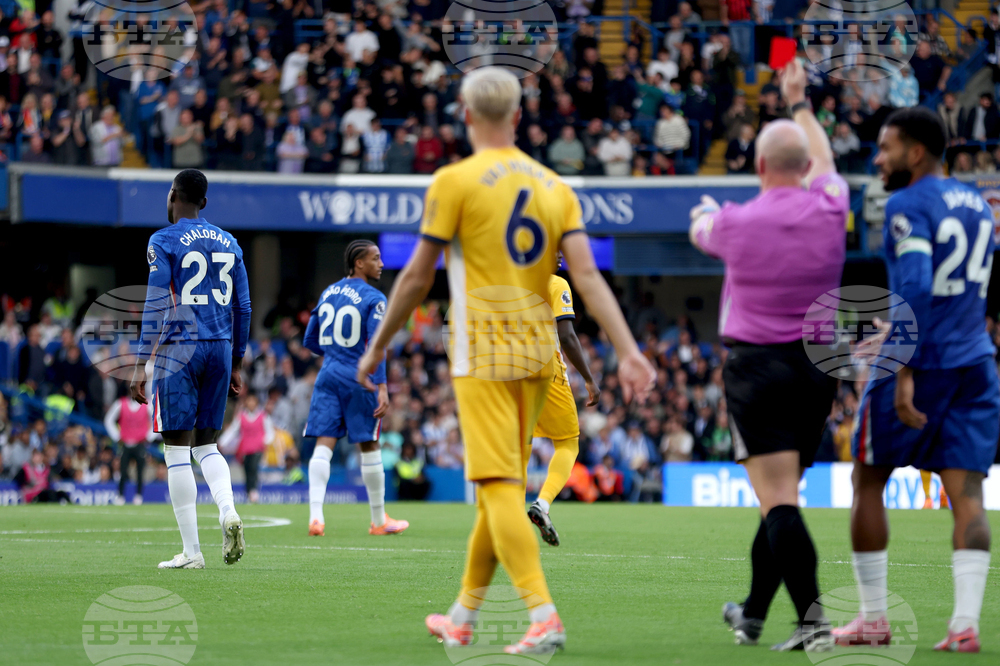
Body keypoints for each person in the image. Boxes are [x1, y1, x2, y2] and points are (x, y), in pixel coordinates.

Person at [356, 67, 655, 656]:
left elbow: (415, 277)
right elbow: (587, 276)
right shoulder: (554, 186)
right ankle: (462, 616)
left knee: (496, 487)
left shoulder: (454, 180)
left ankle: (542, 616)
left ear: (466, 115)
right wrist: (627, 350)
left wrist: (377, 346)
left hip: (485, 354)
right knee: (502, 486)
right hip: (540, 357)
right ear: (518, 116)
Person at [690, 59, 847, 651]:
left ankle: (813, 622)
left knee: (777, 499)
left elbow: (700, 229)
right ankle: (753, 613)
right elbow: (826, 160)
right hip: (819, 365)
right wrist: (799, 101)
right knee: (778, 497)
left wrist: (704, 212)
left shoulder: (734, 223)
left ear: (758, 167)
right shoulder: (831, 204)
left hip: (758, 366)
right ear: (804, 168)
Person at [833, 107, 998, 654]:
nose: (878, 160)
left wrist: (903, 367)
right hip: (975, 361)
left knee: (868, 479)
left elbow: (918, 286)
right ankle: (964, 626)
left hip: (922, 360)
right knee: (967, 495)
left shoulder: (907, 203)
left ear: (917, 151)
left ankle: (873, 620)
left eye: (886, 148)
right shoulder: (978, 201)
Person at [130, 169, 251, 570]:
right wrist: (237, 360)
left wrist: (140, 362)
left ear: (173, 196)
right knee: (207, 445)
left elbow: (155, 303)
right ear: (204, 202)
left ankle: (192, 552)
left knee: (177, 450)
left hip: (179, 349)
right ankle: (228, 511)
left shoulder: (163, 240)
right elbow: (243, 307)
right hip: (220, 347)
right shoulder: (230, 242)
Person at [303, 240, 406, 537]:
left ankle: (316, 518)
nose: (381, 264)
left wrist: (335, 353)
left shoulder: (328, 292)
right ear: (359, 263)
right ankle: (379, 521)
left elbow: (309, 339)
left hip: (328, 373)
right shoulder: (374, 297)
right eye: (375, 258)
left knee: (324, 443)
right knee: (369, 445)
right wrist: (382, 385)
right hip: (360, 376)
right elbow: (377, 345)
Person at [527, 261, 601, 546]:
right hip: (545, 369)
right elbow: (567, 336)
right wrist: (589, 379)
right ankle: (542, 504)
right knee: (568, 444)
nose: (560, 253)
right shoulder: (555, 284)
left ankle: (506, 515)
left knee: (520, 444)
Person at [219, 393, 273, 503]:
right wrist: (222, 441)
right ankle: (249, 493)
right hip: (245, 448)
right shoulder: (241, 416)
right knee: (247, 470)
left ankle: (254, 491)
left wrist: (265, 441)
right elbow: (233, 430)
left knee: (253, 468)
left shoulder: (263, 416)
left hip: (257, 448)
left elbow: (270, 431)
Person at [104, 394, 154, 505]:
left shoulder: (147, 405)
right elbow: (108, 420)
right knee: (123, 471)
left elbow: (157, 419)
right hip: (125, 444)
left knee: (140, 471)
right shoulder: (120, 404)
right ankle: (121, 495)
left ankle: (139, 495)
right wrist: (117, 436)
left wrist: (149, 437)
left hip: (140, 443)